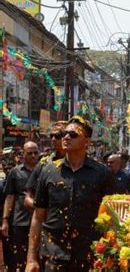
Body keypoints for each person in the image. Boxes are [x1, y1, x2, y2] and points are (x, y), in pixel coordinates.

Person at [26, 116, 116, 271]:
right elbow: (38, 216)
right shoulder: (48, 170)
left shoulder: (102, 173)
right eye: (65, 134)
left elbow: (112, 218)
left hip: (90, 255)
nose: (66, 137)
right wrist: (31, 259)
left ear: (86, 142)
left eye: (73, 135)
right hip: (53, 255)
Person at [2, 141, 40, 271]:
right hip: (19, 222)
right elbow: (10, 196)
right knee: (18, 256)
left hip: (40, 220)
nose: (33, 156)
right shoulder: (15, 172)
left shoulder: (44, 171)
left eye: (36, 153)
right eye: (30, 153)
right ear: (23, 154)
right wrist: (5, 220)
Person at [24, 121, 67, 210]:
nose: (53, 139)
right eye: (51, 136)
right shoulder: (44, 164)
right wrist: (45, 211)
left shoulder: (79, 164)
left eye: (58, 136)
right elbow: (27, 199)